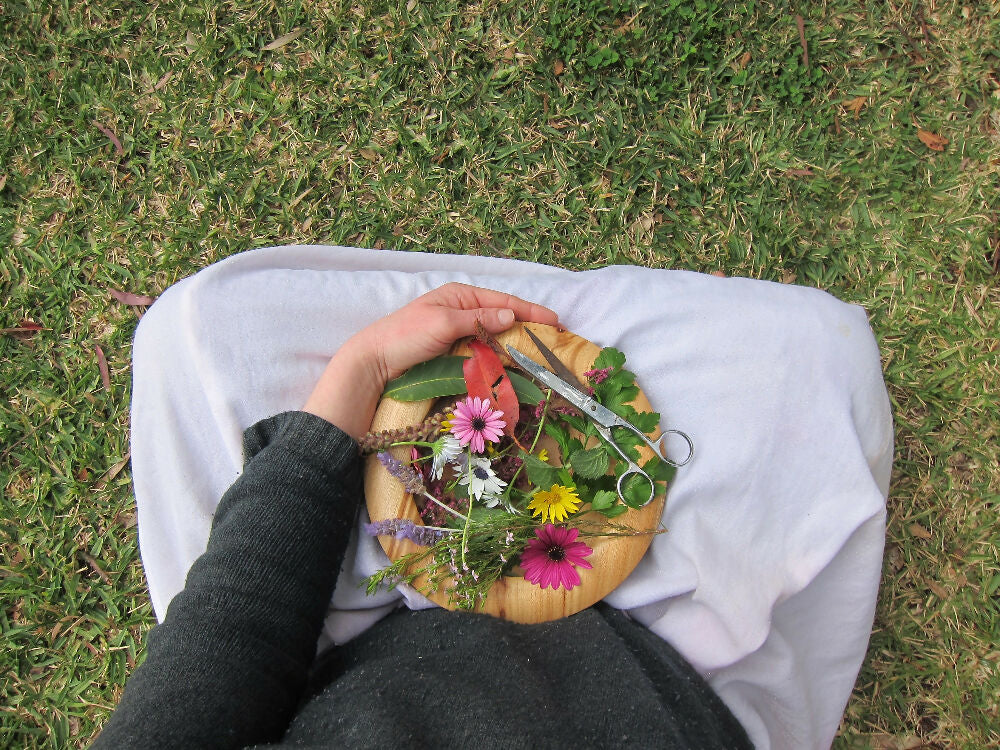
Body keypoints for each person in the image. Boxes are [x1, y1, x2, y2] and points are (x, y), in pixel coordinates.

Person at [93, 283, 754, 748]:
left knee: (192, 323)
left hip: (410, 663)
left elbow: (229, 640)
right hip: (656, 689)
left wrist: (365, 367)